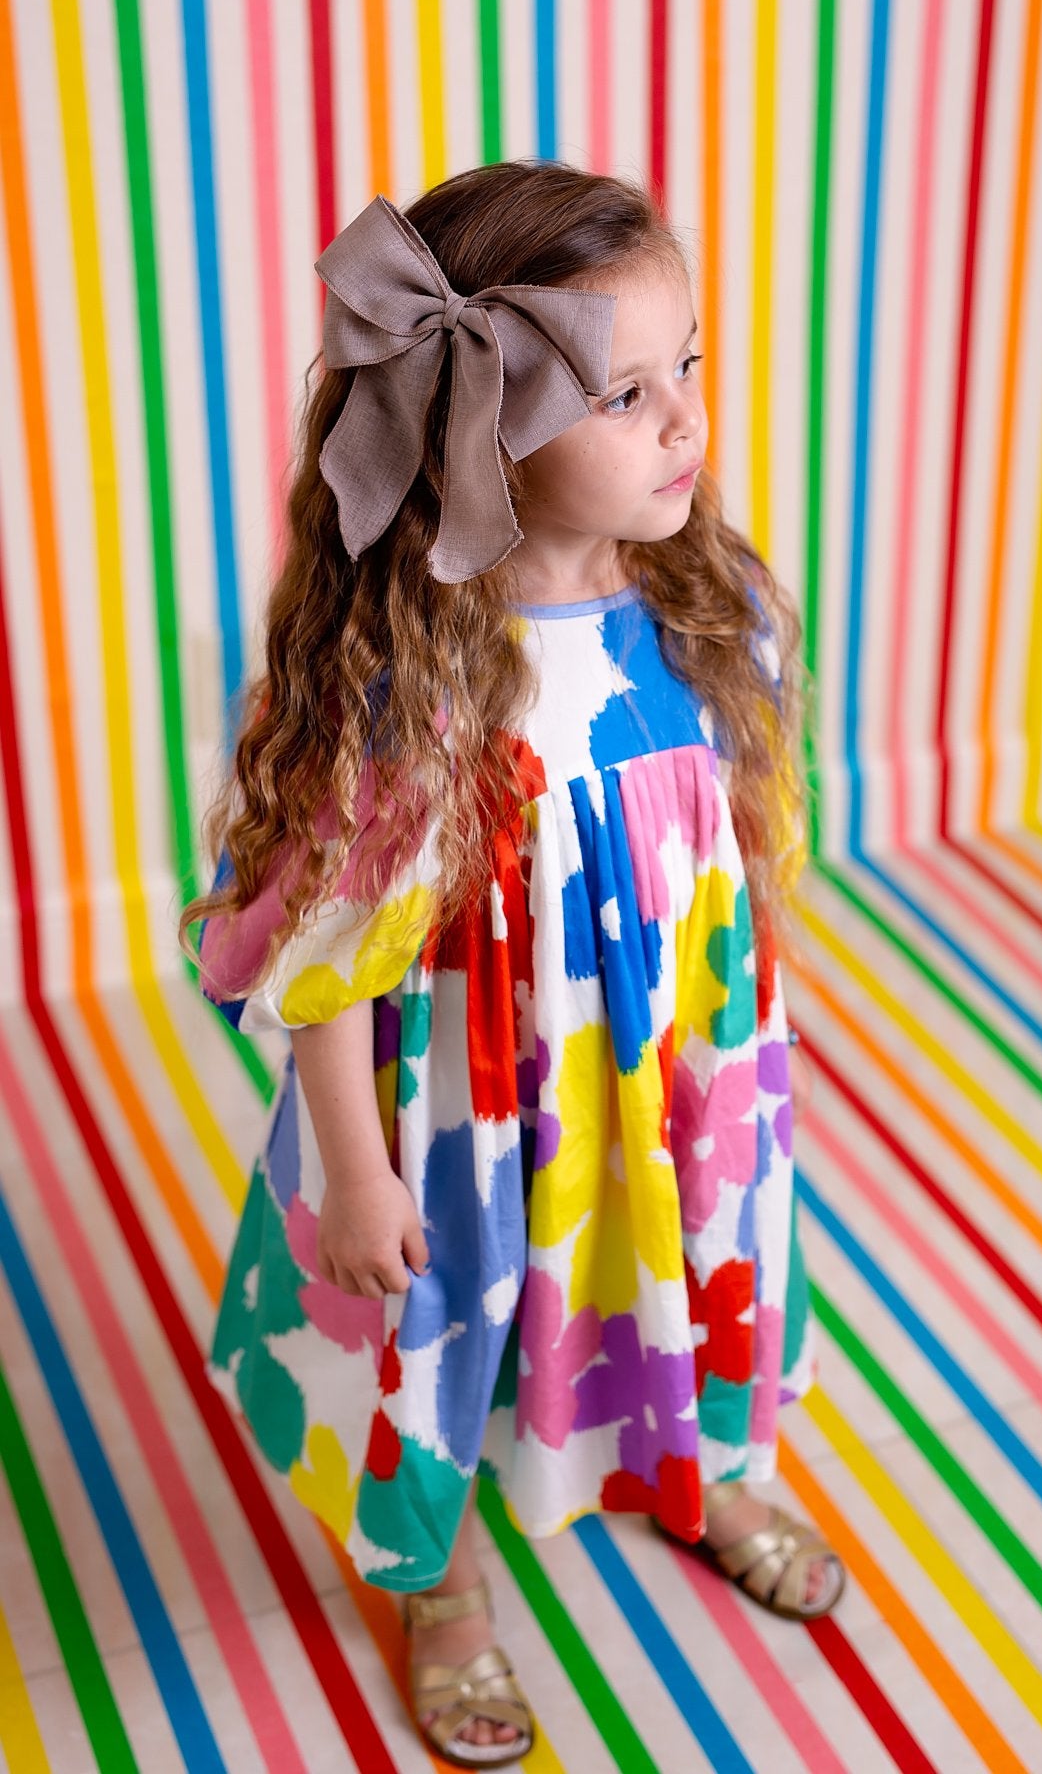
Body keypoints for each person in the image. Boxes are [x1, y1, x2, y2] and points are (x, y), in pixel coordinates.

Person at [181, 158, 846, 1768]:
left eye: (689, 366)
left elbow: (722, 856)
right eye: (627, 394)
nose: (686, 420)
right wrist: (356, 1176)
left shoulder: (712, 615)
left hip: (672, 1080)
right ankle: (443, 1580)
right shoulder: (425, 682)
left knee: (684, 1274)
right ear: (485, 433)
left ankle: (701, 1466)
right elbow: (330, 960)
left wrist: (743, 1039)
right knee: (458, 1333)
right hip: (478, 1115)